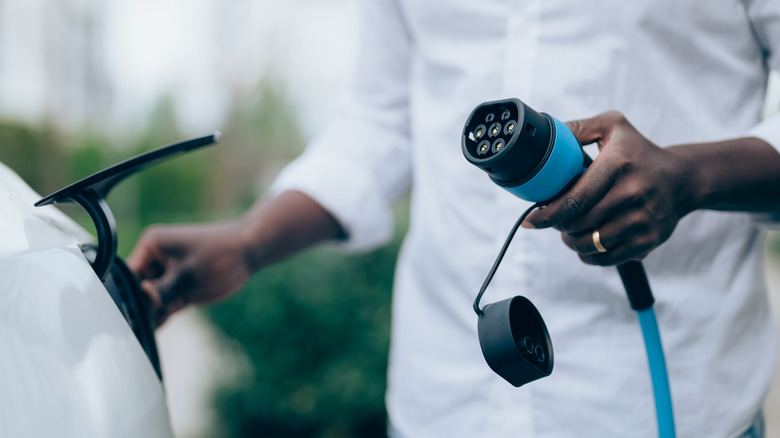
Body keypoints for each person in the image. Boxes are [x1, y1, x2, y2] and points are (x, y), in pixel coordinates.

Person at [129, 1, 780, 436]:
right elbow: (381, 119)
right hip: (441, 401)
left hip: (675, 397)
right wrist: (250, 241)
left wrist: (691, 177)